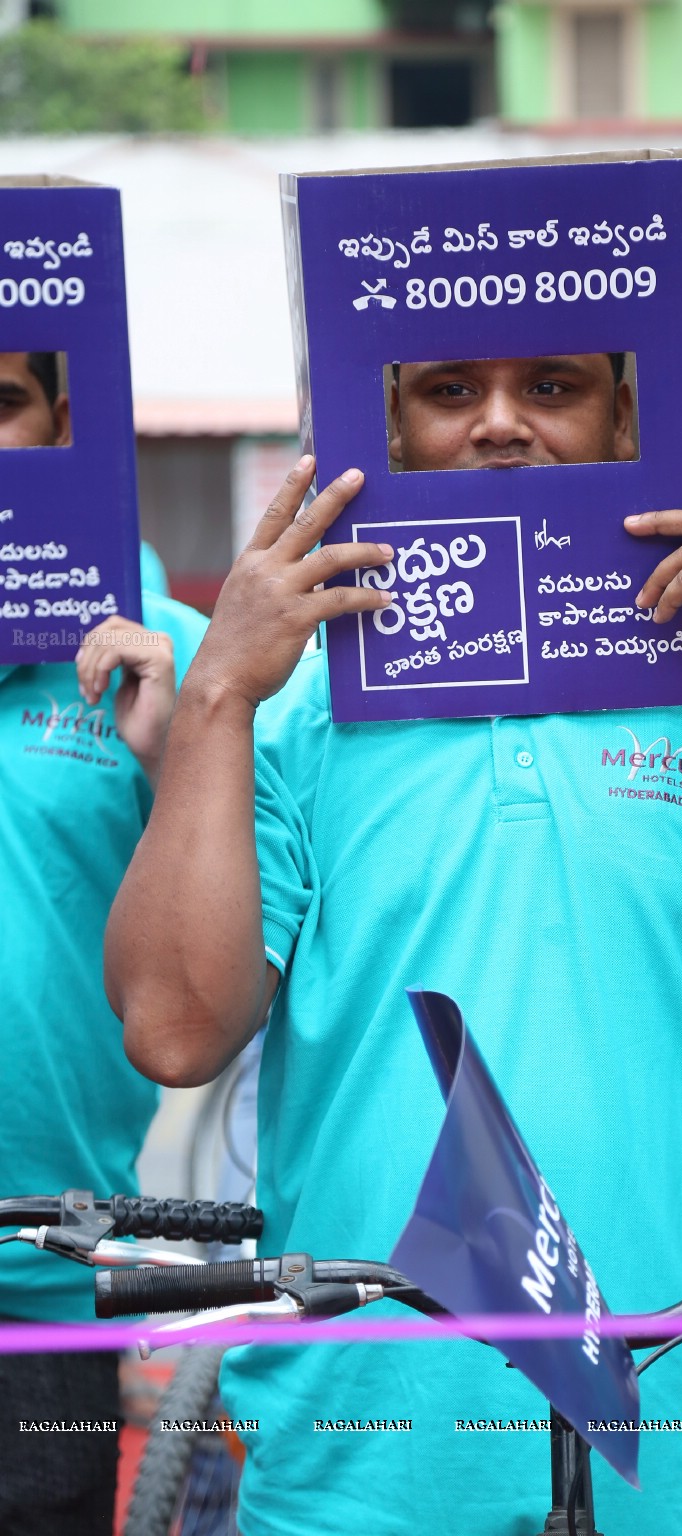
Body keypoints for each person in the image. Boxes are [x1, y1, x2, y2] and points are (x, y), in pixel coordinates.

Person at [106, 351, 682, 1536]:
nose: (504, 426)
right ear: (391, 429)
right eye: (451, 391)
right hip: (368, 1471)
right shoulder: (290, 716)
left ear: (628, 410)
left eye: (555, 387)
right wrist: (216, 698)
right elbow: (172, 1028)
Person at [0, 350, 208, 1534]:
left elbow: (216, 994)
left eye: (0, 405)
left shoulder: (158, 653)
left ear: (64, 424)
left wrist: (174, 752)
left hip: (41, 1285)